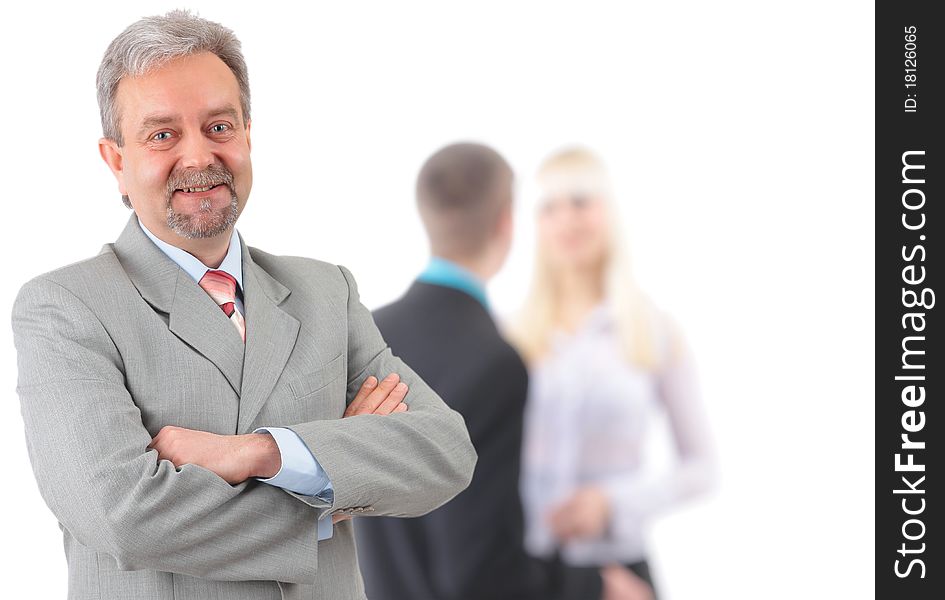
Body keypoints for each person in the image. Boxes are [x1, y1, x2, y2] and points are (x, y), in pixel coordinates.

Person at [10, 11, 475, 600]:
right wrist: (329, 485)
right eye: (162, 135)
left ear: (248, 136)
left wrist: (259, 453)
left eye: (219, 126)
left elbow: (445, 451)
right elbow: (125, 516)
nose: (199, 156)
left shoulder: (327, 292)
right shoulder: (66, 308)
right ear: (116, 162)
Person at [354, 142, 643, 600]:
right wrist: (593, 587)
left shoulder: (368, 331)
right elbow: (481, 571)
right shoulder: (496, 362)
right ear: (508, 222)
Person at [509, 147, 716, 600]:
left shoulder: (654, 330)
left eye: (580, 201)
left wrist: (613, 504)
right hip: (525, 569)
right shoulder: (513, 336)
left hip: (617, 571)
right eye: (549, 208)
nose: (566, 219)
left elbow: (702, 467)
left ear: (608, 211)